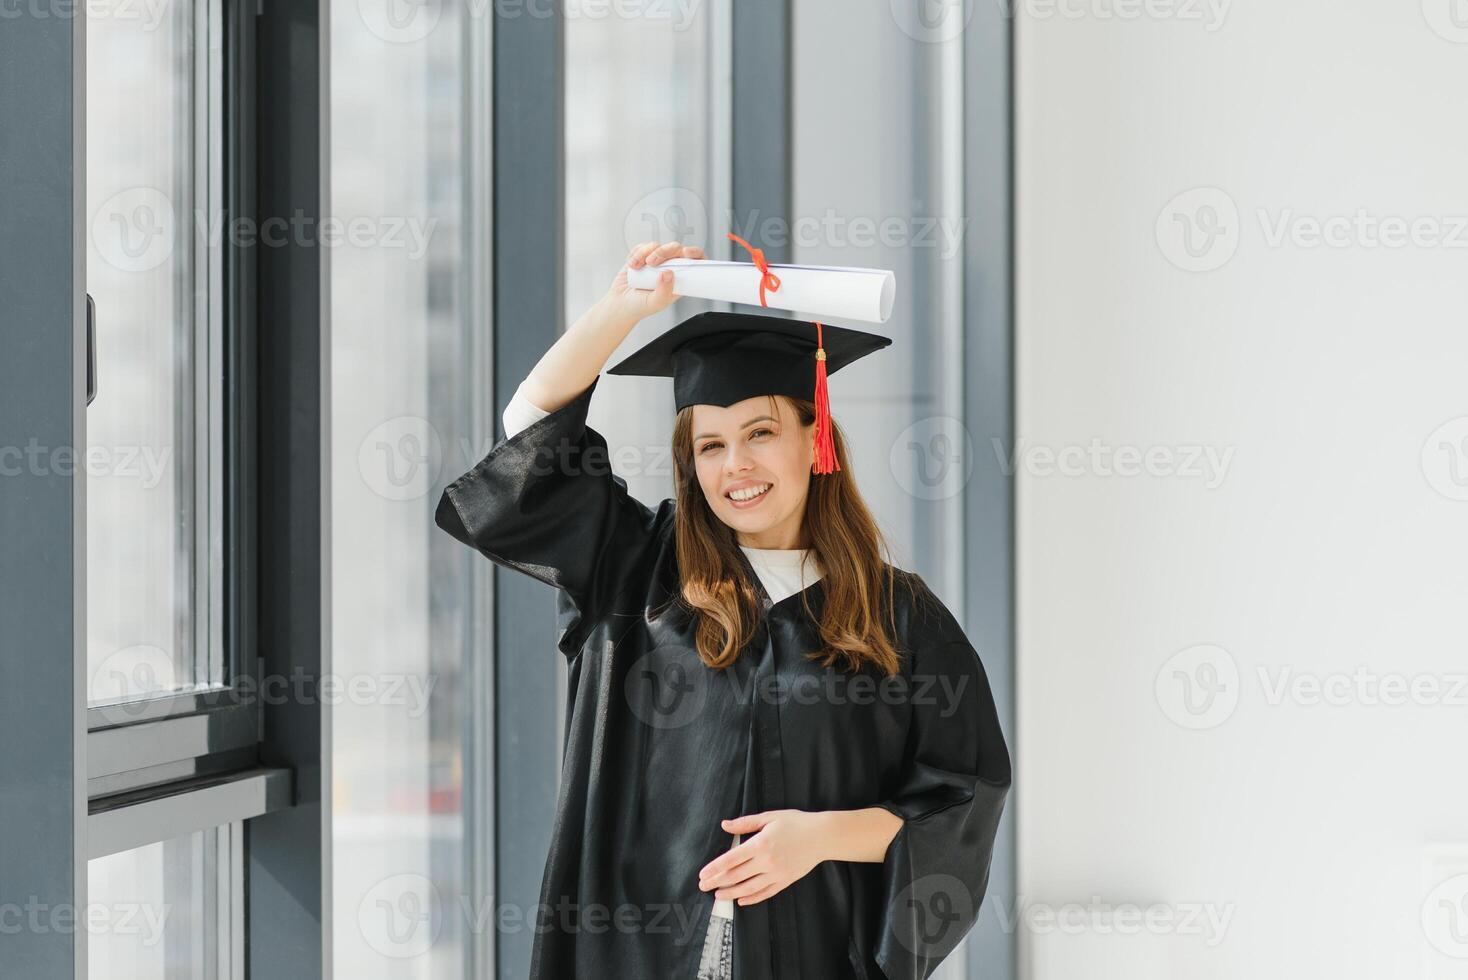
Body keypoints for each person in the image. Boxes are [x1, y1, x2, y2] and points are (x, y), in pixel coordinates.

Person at [435, 240, 1011, 979]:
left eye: (760, 433)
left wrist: (818, 838)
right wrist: (619, 311)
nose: (734, 464)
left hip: (810, 953)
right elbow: (532, 432)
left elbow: (963, 802)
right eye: (710, 446)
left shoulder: (897, 618)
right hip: (636, 957)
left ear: (817, 438)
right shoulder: (634, 569)